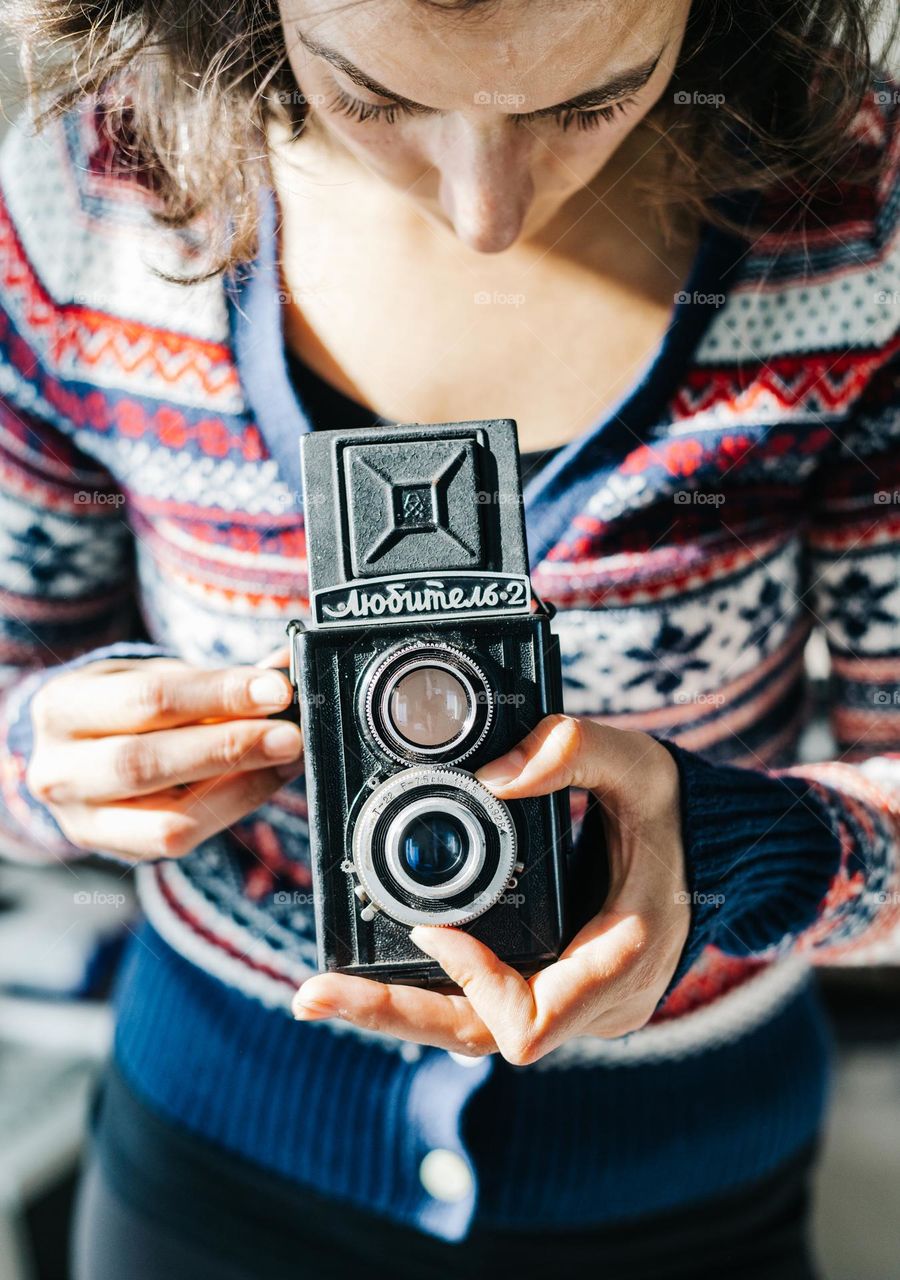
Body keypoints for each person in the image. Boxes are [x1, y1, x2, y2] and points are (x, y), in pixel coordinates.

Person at [1, 1, 898, 1276]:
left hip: (684, 1179)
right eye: (374, 97)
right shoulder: (88, 193)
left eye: (594, 99)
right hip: (214, 1159)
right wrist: (59, 756)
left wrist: (758, 852)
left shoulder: (860, 212)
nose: (487, 210)